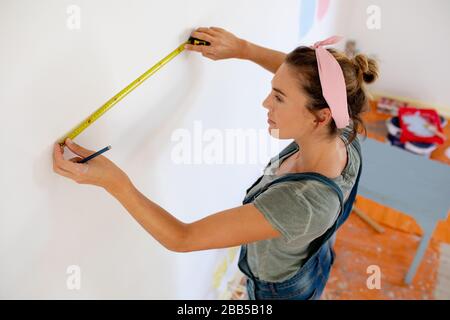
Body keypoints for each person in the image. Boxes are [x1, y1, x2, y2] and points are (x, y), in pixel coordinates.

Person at [53, 27, 379, 300]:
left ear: (319, 117)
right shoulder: (340, 123)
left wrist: (115, 182)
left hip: (278, 292)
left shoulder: (301, 204)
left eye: (278, 97)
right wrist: (243, 49)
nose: (265, 103)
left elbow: (183, 238)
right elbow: (307, 82)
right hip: (312, 258)